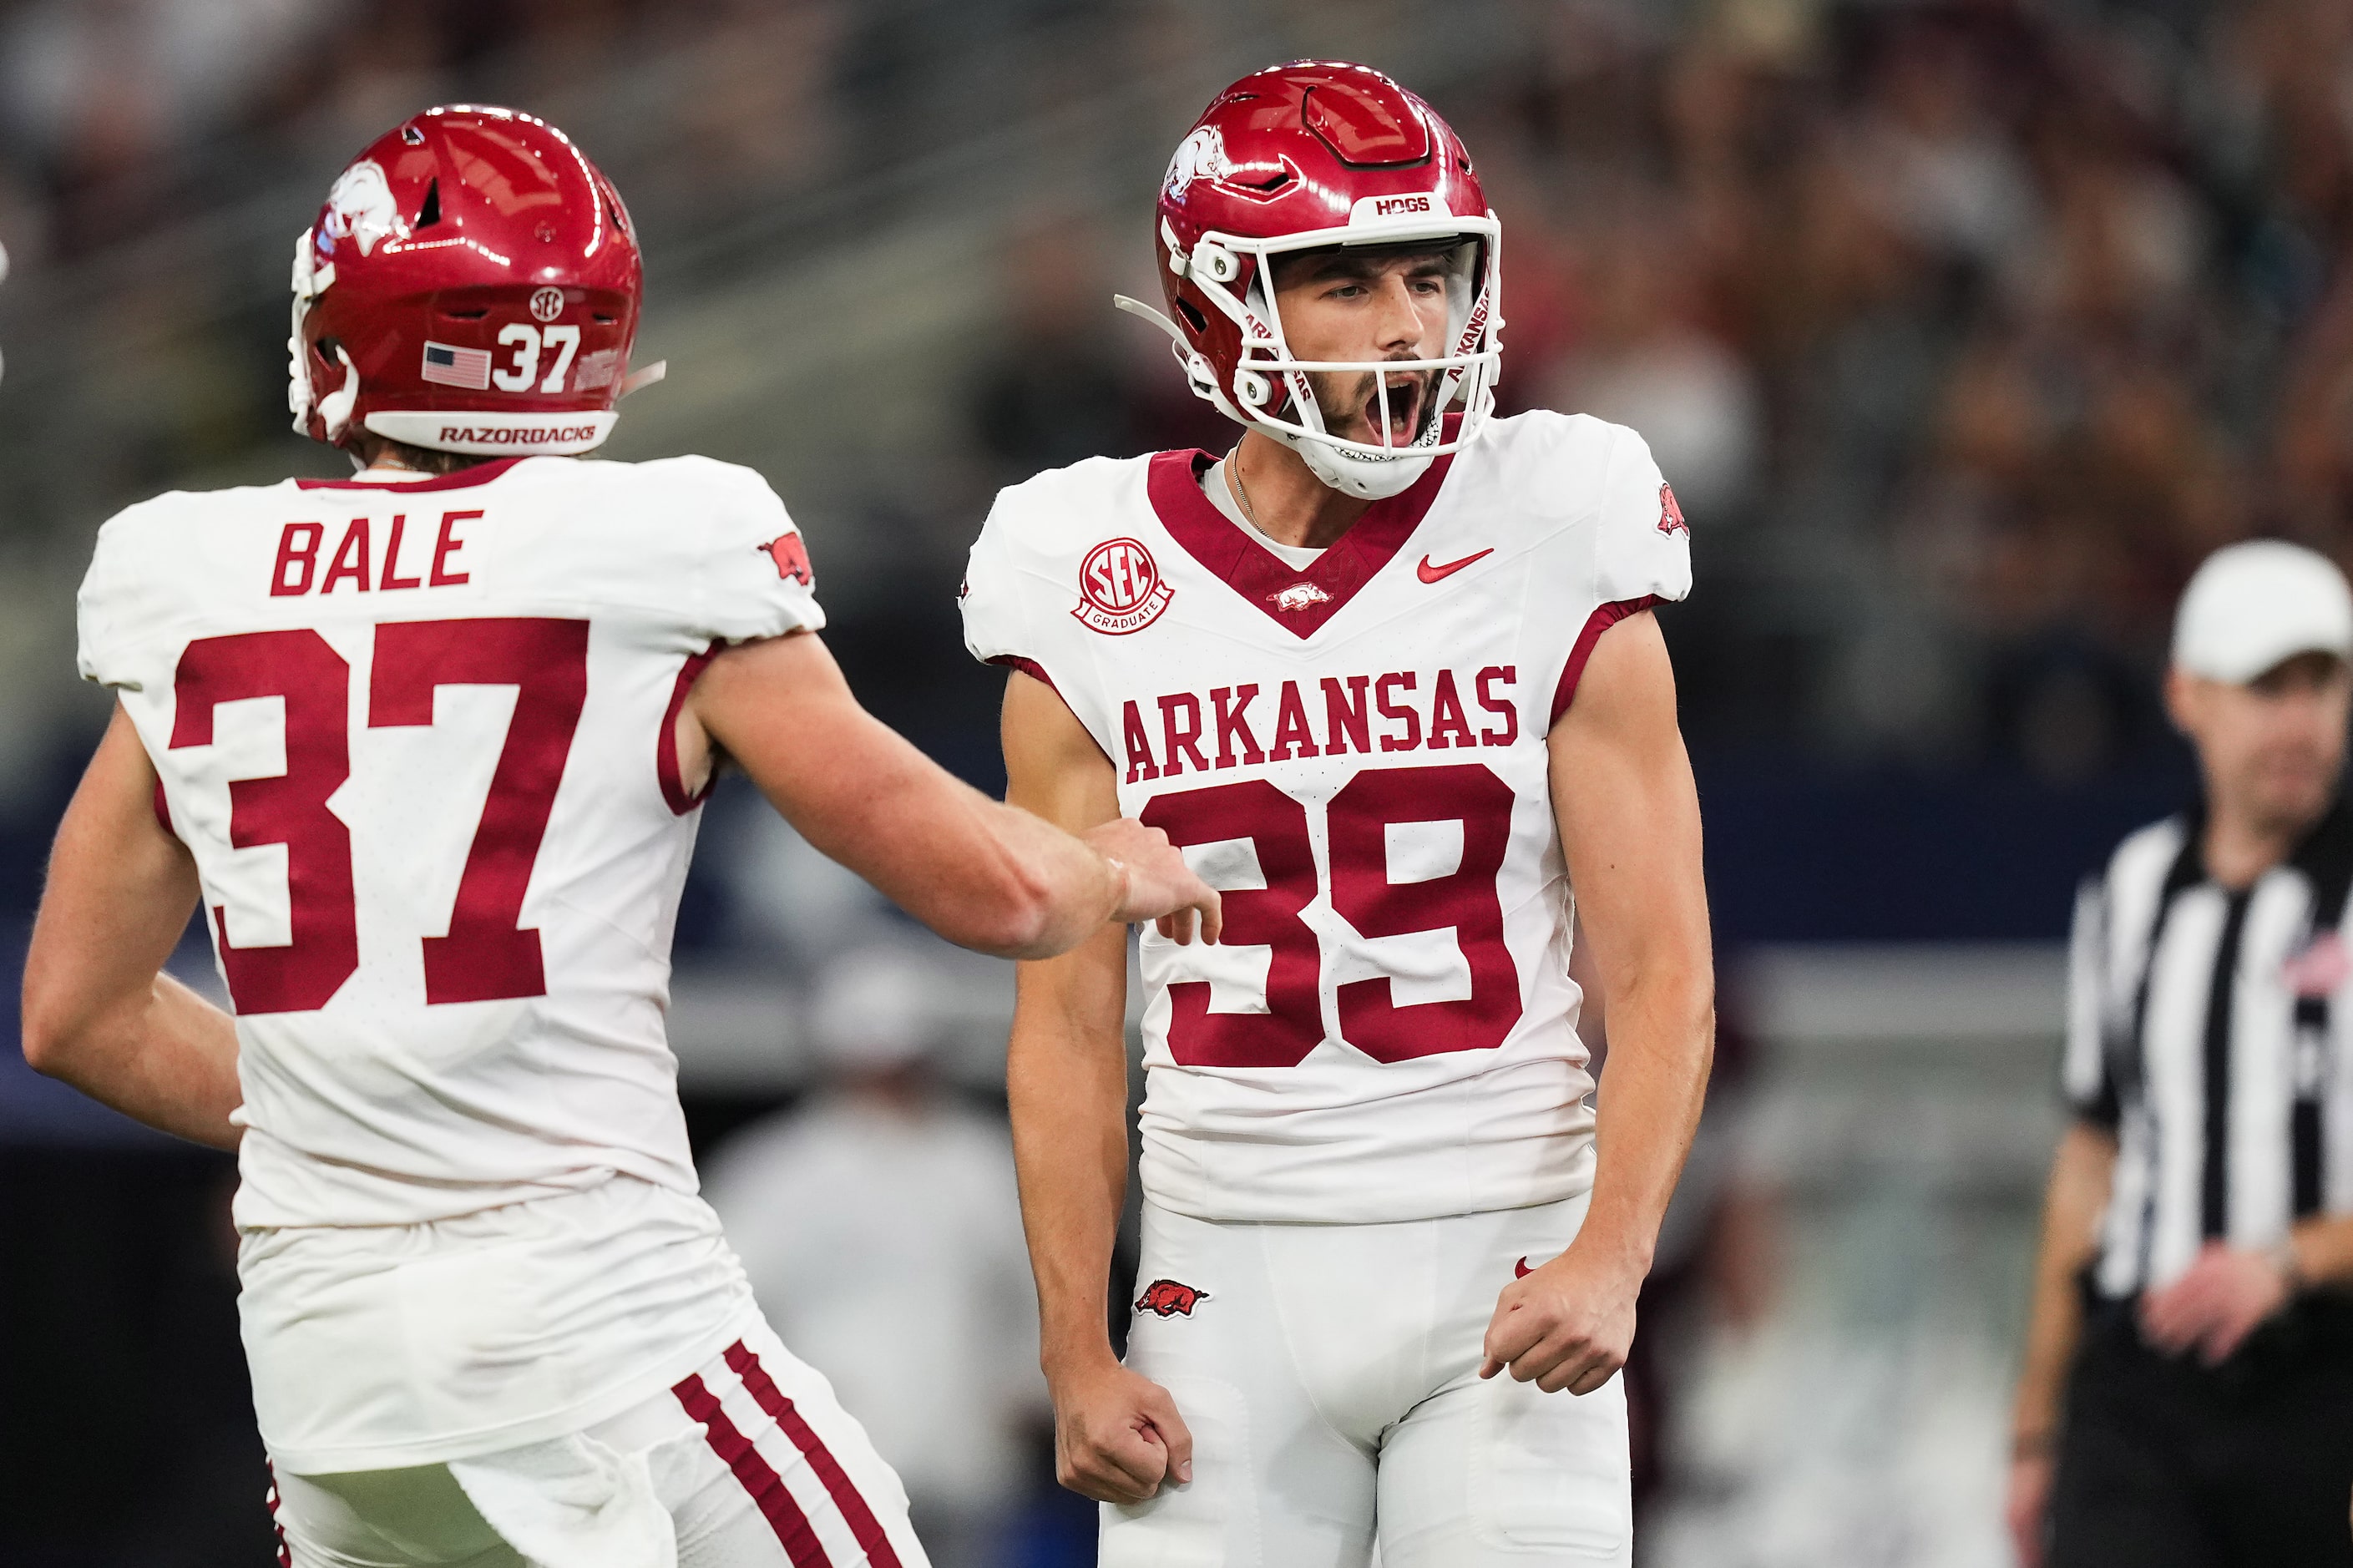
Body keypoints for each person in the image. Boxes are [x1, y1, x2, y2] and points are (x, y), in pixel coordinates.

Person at [18, 105, 1219, 1568]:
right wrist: (1115, 865)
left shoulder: (194, 574)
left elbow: (73, 1006)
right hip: (584, 1314)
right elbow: (994, 889)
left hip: (324, 1360)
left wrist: (361, 1123)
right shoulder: (656, 547)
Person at [959, 62, 1717, 1567]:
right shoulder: (1084, 569)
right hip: (1218, 1274)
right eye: (1343, 279)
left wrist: (1612, 1251)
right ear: (1212, 310)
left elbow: (1659, 971)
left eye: (1430, 273)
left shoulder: (1556, 516)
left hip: (1507, 1252)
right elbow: (1060, 1024)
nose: (1408, 324)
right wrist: (1071, 1345)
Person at [2006, 540, 2353, 1567]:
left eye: (2321, 684)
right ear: (2186, 696)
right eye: (2265, 688)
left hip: (2322, 1390)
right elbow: (2090, 1158)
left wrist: (2289, 1262)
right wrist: (2034, 1426)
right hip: (2140, 1390)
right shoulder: (2131, 890)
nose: (2299, 720)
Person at [704, 944, 1041, 1568]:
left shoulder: (985, 1161)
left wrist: (1025, 1392)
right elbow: (717, 1315)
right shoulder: (775, 1171)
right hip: (823, 1468)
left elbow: (1041, 1295)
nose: (890, 1076)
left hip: (965, 1465)